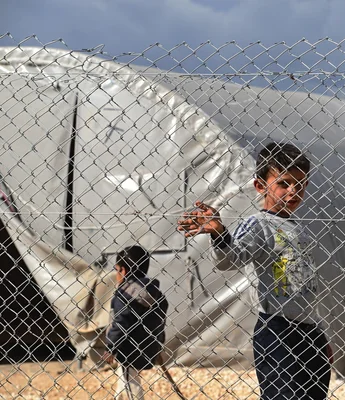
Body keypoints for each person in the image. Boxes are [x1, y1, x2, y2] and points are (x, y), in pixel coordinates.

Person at [178, 142, 332, 399]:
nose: (294, 191)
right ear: (261, 186)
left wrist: (318, 333)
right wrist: (219, 232)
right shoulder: (258, 224)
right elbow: (230, 259)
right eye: (284, 183)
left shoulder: (297, 228)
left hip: (308, 330)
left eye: (301, 184)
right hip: (278, 330)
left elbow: (305, 288)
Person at [104, 245, 169, 400]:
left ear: (123, 271)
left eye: (117, 269)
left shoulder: (125, 294)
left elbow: (121, 323)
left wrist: (111, 346)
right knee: (124, 378)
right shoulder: (154, 292)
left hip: (128, 348)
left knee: (130, 382)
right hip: (149, 343)